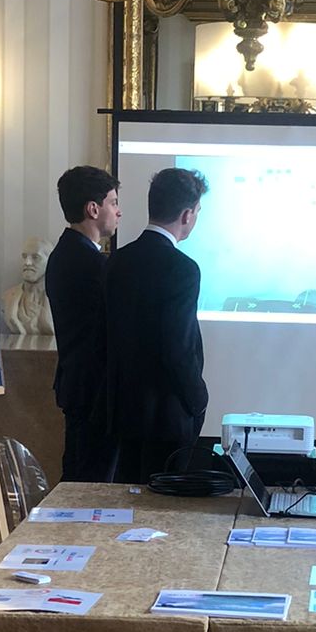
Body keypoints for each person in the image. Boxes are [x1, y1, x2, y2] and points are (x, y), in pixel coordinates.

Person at [104, 166, 208, 481]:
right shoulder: (184, 269)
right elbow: (178, 348)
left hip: (123, 411)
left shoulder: (116, 261)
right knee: (165, 504)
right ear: (187, 215)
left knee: (128, 498)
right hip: (168, 415)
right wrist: (198, 398)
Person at [45, 164, 120, 480]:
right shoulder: (91, 264)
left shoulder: (65, 254)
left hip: (80, 386)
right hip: (94, 393)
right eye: (113, 203)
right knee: (90, 485)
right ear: (93, 209)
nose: (118, 212)